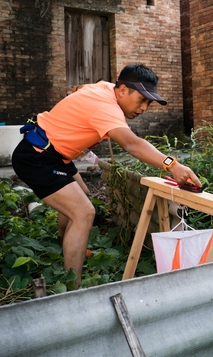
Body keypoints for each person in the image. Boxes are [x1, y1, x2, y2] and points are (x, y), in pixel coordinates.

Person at [11, 63, 202, 288]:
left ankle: (65, 245)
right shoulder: (106, 107)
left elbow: (81, 89)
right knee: (83, 212)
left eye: (149, 103)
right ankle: (73, 286)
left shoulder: (106, 88)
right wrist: (172, 165)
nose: (144, 108)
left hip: (55, 154)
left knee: (81, 192)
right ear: (122, 91)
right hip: (37, 157)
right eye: (142, 100)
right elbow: (131, 144)